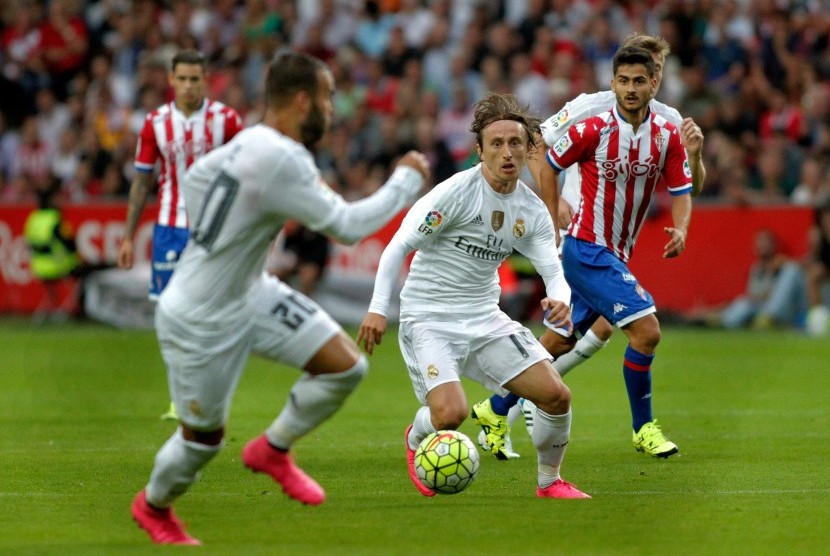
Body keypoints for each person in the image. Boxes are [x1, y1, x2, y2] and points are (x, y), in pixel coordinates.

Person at [130, 51, 429, 546]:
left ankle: (273, 449)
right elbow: (347, 227)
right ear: (301, 100)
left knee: (345, 366)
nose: (333, 111)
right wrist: (406, 180)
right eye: (329, 99)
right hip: (200, 317)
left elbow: (198, 177)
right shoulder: (280, 156)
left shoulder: (249, 140)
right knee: (202, 441)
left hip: (250, 291)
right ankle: (154, 507)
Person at [474, 34, 706, 460]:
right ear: (614, 82)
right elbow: (543, 154)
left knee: (561, 341)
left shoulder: (668, 130)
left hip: (615, 251)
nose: (632, 87)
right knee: (647, 331)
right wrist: (551, 213)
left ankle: (495, 406)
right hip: (585, 246)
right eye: (624, 80)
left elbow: (684, 186)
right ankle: (644, 428)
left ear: (655, 80)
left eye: (642, 78)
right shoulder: (591, 120)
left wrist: (682, 227)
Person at [358, 92, 590, 499]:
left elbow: (554, 271)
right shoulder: (454, 194)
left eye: (515, 143)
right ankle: (418, 434)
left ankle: (550, 482)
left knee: (556, 395)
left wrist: (561, 301)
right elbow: (397, 246)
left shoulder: (531, 210)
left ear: (528, 149)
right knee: (451, 414)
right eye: (496, 143)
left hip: (484, 317)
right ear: (479, 150)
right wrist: (378, 309)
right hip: (430, 317)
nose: (506, 152)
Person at [116, 49, 243, 421]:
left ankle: (206, 394)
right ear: (171, 80)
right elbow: (141, 183)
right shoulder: (154, 123)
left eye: (195, 78)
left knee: (212, 314)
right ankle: (180, 398)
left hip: (214, 231)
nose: (188, 85)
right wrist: (127, 236)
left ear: (206, 80)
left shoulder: (227, 121)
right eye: (182, 78)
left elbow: (246, 175)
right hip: (170, 229)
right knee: (170, 315)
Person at [715, 229, 806, 330]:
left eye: (767, 242)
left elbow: (787, 295)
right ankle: (720, 321)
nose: (764, 245)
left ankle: (768, 318)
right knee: (742, 303)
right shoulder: (756, 269)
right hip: (761, 309)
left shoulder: (785, 266)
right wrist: (769, 274)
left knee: (791, 268)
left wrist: (782, 263)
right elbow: (754, 296)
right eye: (760, 242)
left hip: (783, 311)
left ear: (774, 245)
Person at [24, 183, 81, 322]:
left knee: (51, 290)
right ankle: (63, 313)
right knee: (81, 279)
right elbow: (68, 243)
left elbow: (28, 243)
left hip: (38, 266)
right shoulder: (55, 219)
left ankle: (45, 313)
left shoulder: (33, 218)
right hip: (57, 265)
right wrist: (76, 256)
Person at [805, 201, 830, 336]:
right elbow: (814, 260)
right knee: (814, 275)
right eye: (825, 217)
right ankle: (817, 317)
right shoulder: (818, 235)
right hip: (825, 272)